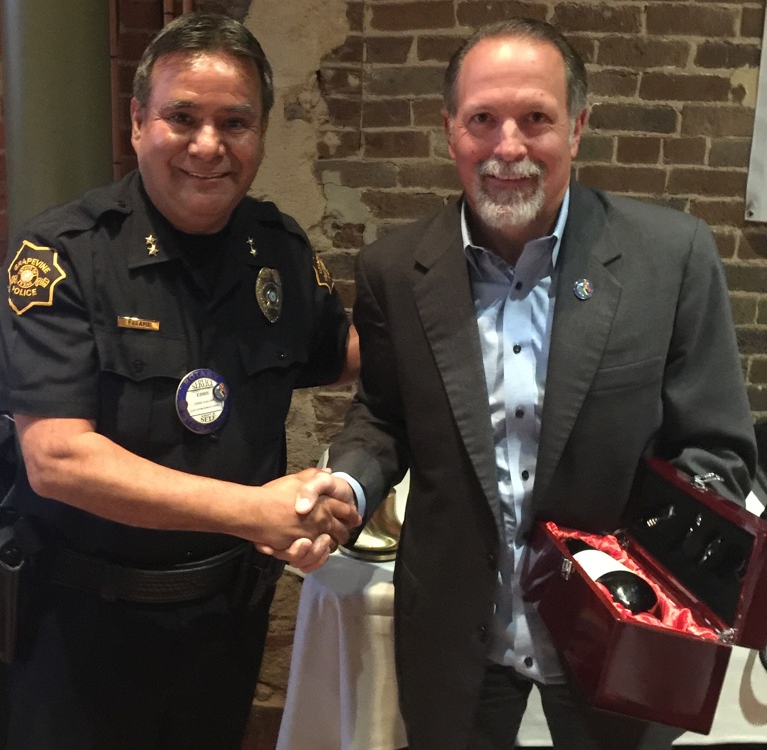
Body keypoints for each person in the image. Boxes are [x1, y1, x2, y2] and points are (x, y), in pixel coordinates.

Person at [288, 17, 757, 750]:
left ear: (577, 127)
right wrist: (346, 485)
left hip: (615, 641)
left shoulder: (671, 258)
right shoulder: (395, 270)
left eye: (535, 118)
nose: (508, 146)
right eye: (483, 119)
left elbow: (717, 451)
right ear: (451, 131)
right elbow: (382, 416)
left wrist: (650, 573)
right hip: (455, 638)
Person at [0, 12, 360, 750]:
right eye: (181, 117)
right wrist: (254, 512)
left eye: (235, 122)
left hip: (226, 622)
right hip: (81, 630)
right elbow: (57, 459)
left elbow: (338, 353)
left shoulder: (279, 252)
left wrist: (453, 309)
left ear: (261, 132)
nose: (208, 146)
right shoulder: (64, 255)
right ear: (137, 123)